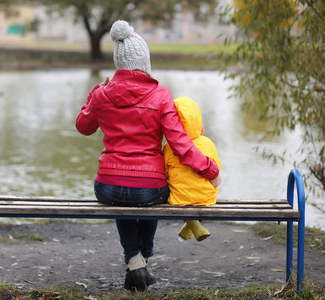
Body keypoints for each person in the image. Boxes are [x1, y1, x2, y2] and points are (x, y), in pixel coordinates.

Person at [75, 20, 222, 292]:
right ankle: (141, 260)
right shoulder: (161, 96)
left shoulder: (102, 95)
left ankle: (135, 263)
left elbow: (83, 127)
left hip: (107, 186)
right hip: (150, 188)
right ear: (145, 62)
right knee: (152, 191)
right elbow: (180, 144)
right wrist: (209, 169)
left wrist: (94, 93)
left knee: (122, 198)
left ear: (119, 63)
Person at [163, 96, 222, 242]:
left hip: (179, 199)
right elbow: (217, 168)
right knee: (199, 192)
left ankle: (192, 225)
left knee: (176, 191)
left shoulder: (168, 147)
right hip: (206, 197)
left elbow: (165, 173)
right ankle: (192, 226)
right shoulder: (208, 143)